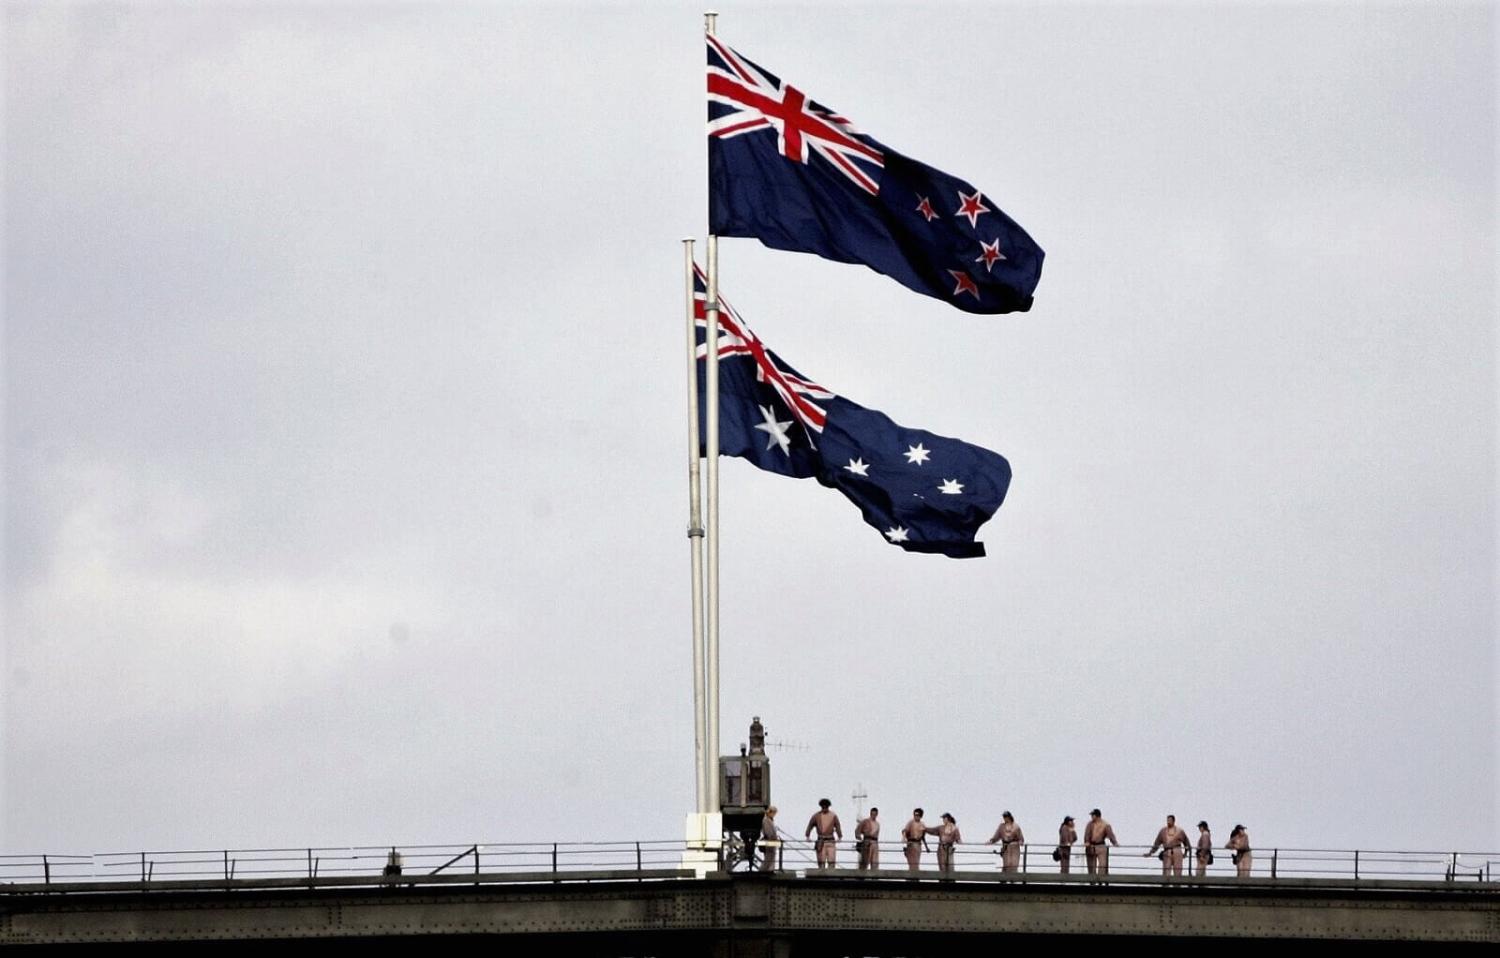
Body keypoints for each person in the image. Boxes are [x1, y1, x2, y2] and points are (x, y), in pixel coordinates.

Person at [805, 798, 843, 869]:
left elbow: (837, 826)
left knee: (831, 860)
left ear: (828, 807)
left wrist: (839, 836)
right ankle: (822, 875)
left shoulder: (833, 816)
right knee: (821, 861)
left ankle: (831, 876)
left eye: (826, 807)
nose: (824, 808)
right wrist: (807, 835)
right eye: (823, 807)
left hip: (830, 840)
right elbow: (810, 825)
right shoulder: (816, 816)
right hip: (821, 841)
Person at [1083, 808, 1119, 877]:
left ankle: (1100, 879)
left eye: (1092, 815)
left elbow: (1110, 834)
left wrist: (1114, 842)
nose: (1091, 817)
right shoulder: (1090, 824)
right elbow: (1087, 834)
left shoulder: (1105, 824)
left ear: (1096, 816)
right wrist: (1087, 842)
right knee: (1091, 866)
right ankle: (1092, 880)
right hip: (1091, 846)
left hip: (1101, 845)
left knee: (1102, 864)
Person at [758, 806, 780, 872]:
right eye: (774, 813)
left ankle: (769, 868)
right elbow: (768, 832)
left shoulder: (769, 820)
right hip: (769, 841)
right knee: (769, 856)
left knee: (772, 855)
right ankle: (765, 869)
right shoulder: (766, 820)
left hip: (772, 841)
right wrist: (772, 838)